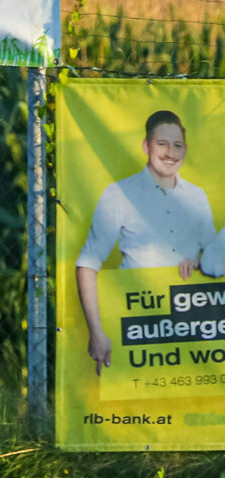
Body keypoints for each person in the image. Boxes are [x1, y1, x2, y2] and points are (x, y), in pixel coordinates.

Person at [75, 110, 216, 376]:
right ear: (146, 146)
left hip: (191, 327)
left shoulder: (197, 197)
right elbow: (87, 263)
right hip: (137, 325)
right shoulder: (118, 194)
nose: (170, 153)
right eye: (162, 144)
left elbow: (216, 260)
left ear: (185, 150)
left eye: (177, 145)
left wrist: (200, 263)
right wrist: (97, 333)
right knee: (138, 408)